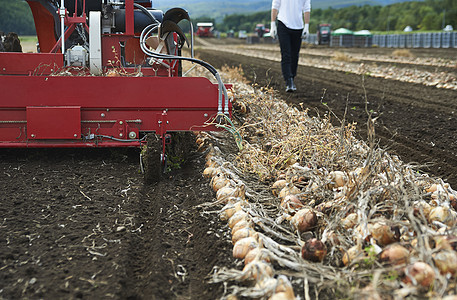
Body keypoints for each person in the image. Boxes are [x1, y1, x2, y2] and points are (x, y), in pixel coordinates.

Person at [270, 0, 310, 92]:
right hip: (283, 24)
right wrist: (273, 24)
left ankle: (292, 77)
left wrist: (306, 25)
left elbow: (307, 9)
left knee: (295, 55)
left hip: (298, 27)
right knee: (286, 54)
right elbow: (275, 6)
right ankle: (289, 81)